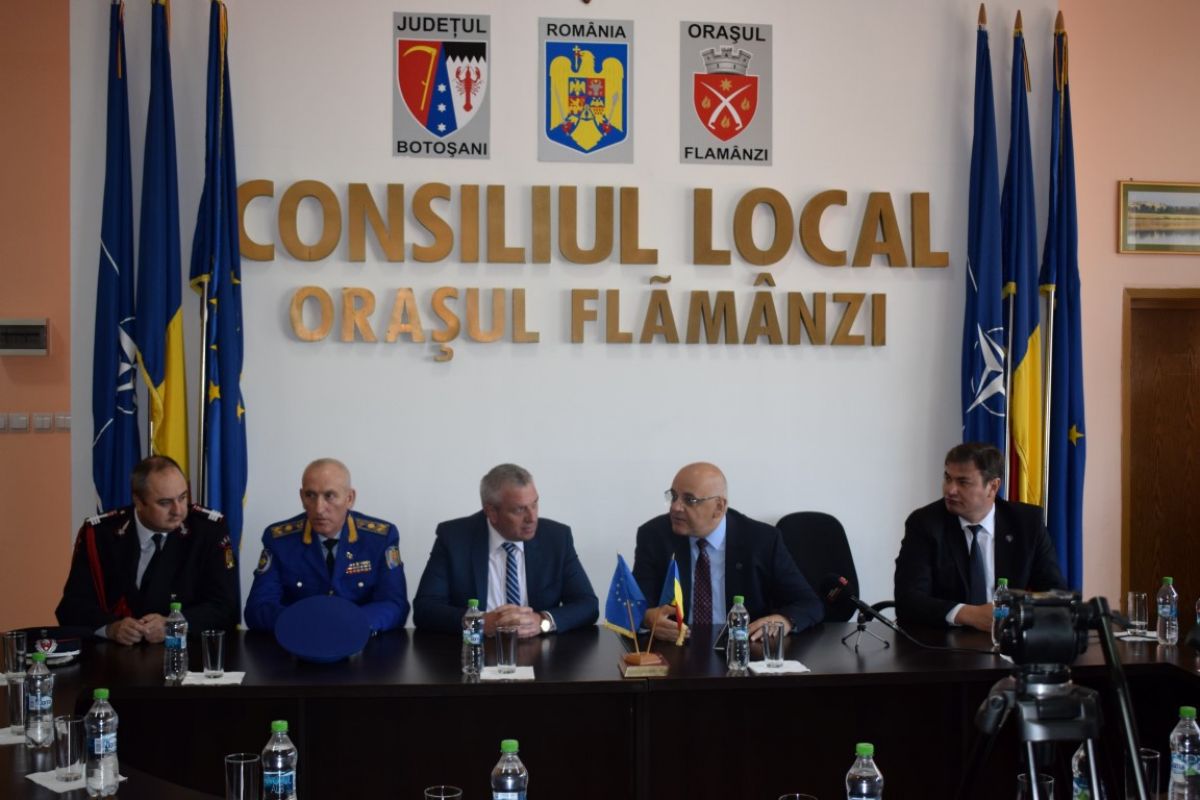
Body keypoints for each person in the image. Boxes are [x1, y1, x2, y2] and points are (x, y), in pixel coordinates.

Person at [55, 456, 239, 645]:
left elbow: (226, 608)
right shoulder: (101, 535)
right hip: (114, 656)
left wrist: (173, 627)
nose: (178, 511)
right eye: (165, 503)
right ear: (139, 501)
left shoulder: (207, 531)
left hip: (183, 655)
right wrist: (111, 628)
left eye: (183, 497)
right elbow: (71, 607)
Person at [632, 462, 823, 642]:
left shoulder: (762, 540)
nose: (675, 507)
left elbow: (809, 603)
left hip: (743, 648)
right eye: (673, 496)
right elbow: (635, 604)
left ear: (719, 507)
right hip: (677, 648)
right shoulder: (654, 536)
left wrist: (784, 620)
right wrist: (648, 618)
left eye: (690, 500)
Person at [893, 442, 1067, 631]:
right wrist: (969, 615)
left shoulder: (1026, 524)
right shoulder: (925, 523)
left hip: (1008, 639)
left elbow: (1055, 595)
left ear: (993, 487)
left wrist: (1015, 614)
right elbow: (908, 600)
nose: (950, 490)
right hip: (943, 641)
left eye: (963, 482)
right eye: (948, 478)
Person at [412, 463, 598, 637]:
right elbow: (425, 609)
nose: (532, 518)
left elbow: (587, 604)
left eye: (534, 504)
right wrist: (479, 623)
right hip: (475, 651)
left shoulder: (556, 538)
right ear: (491, 512)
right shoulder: (454, 538)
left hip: (539, 651)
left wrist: (542, 621)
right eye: (519, 510)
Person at [244, 458, 409, 634]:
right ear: (302, 497)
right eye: (310, 495)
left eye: (329, 496)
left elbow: (394, 604)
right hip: (300, 640)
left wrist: (352, 623)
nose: (319, 509)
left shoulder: (379, 539)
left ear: (350, 498)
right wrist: (306, 622)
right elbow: (258, 608)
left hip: (359, 641)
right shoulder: (279, 541)